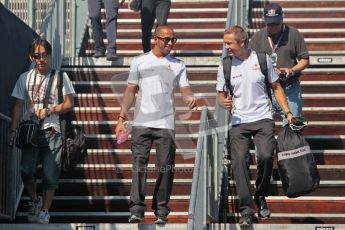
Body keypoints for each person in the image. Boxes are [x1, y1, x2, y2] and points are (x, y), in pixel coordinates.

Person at [115, 25, 196, 225]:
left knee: (165, 168)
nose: (170, 43)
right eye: (166, 39)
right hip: (142, 122)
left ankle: (161, 210)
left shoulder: (178, 64)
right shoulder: (139, 61)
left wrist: (189, 97)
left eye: (173, 40)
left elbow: (185, 88)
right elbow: (130, 90)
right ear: (155, 39)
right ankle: (136, 209)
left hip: (165, 123)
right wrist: (121, 117)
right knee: (138, 166)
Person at [216, 26, 293, 225]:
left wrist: (288, 113)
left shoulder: (261, 59)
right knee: (239, 161)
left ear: (242, 42)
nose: (226, 47)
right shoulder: (225, 64)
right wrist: (223, 101)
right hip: (239, 121)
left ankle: (260, 194)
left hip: (263, 118)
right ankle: (246, 210)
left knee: (267, 156)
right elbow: (220, 92)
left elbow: (276, 87)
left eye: (229, 43)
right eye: (225, 43)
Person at [9, 38, 75, 224]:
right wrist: (13, 130)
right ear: (31, 57)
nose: (41, 59)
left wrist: (50, 110)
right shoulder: (25, 77)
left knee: (50, 174)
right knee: (26, 171)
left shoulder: (61, 76)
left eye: (44, 55)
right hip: (30, 130)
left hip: (52, 130)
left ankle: (45, 210)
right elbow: (18, 105)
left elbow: (70, 103)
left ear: (50, 54)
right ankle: (35, 200)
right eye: (36, 56)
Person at [249, 2, 309, 125]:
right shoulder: (257, 37)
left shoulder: (293, 34)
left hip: (289, 87)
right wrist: (266, 71)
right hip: (265, 90)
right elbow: (249, 63)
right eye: (269, 23)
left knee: (293, 127)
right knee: (262, 131)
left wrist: (291, 70)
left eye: (276, 23)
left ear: (282, 18)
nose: (273, 27)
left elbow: (305, 60)